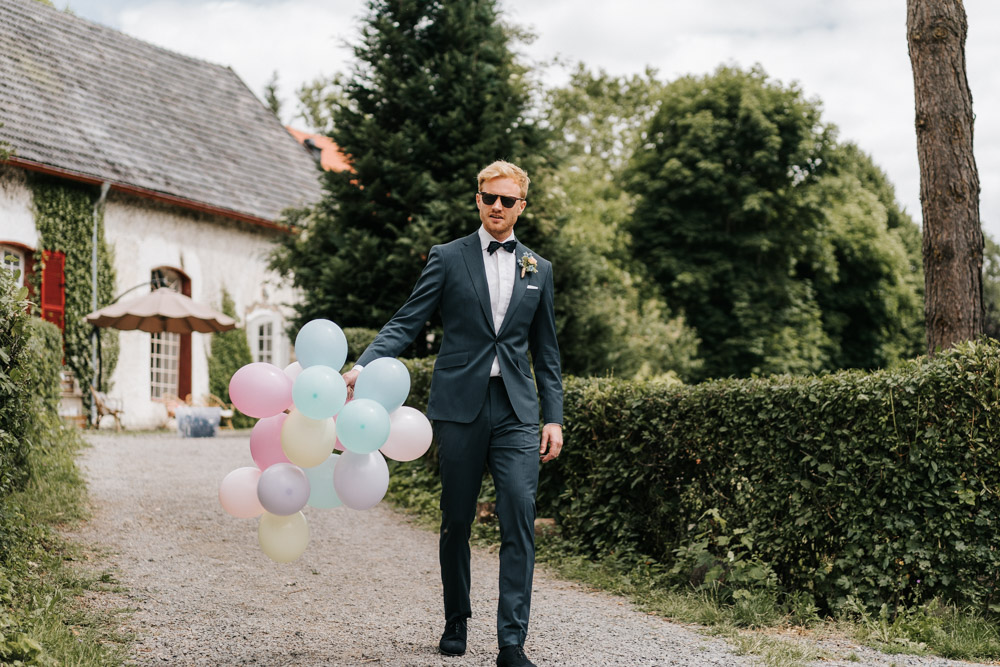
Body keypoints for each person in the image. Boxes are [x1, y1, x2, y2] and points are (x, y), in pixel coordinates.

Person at [343, 160, 563, 667]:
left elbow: (546, 353)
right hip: (459, 407)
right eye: (490, 197)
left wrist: (553, 417)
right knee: (456, 519)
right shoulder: (447, 257)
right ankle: (456, 618)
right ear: (478, 199)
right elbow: (407, 320)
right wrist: (364, 366)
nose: (497, 207)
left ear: (521, 206)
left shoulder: (538, 269)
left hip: (516, 409)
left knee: (518, 514)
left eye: (508, 200)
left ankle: (512, 642)